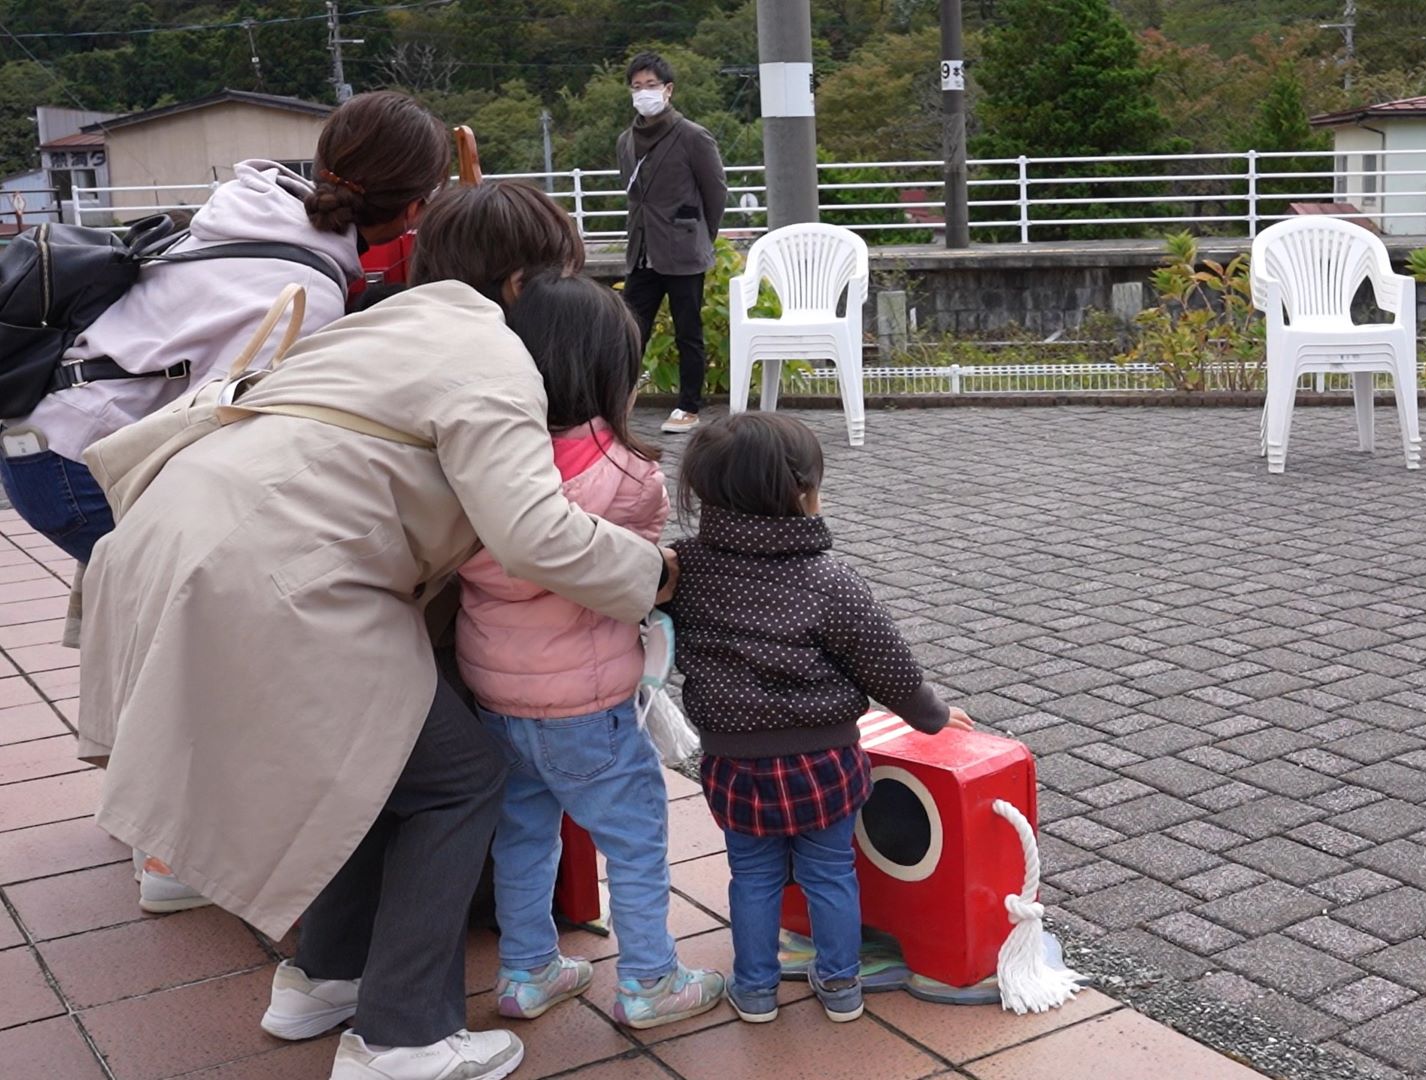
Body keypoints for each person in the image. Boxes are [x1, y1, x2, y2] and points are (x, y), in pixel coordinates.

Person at [78, 181, 663, 1080]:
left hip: (184, 539)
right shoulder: (490, 355)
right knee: (457, 778)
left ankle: (325, 976)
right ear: (521, 281)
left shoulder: (380, 321)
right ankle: (403, 1038)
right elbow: (534, 531)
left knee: (382, 766)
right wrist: (658, 576)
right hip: (274, 572)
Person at [0, 91, 449, 915]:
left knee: (175, 622)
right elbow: (238, 428)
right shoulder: (301, 287)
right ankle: (170, 854)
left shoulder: (265, 202)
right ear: (414, 210)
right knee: (210, 636)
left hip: (45, 438)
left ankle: (148, 816)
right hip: (78, 460)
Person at [454, 271, 725, 1031]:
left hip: (496, 700)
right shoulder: (629, 474)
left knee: (523, 837)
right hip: (589, 706)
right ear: (616, 371)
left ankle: (528, 971)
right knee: (636, 842)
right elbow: (636, 580)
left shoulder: (484, 464)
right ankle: (648, 981)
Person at [665, 412, 974, 1025]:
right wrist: (934, 717)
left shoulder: (684, 570)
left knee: (751, 875)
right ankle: (840, 986)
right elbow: (888, 665)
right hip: (823, 762)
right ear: (802, 492)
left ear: (702, 493)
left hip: (732, 763)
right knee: (830, 871)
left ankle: (754, 990)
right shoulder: (829, 580)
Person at [616, 50, 728, 435]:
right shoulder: (625, 141)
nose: (643, 93)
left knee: (688, 330)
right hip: (642, 250)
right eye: (636, 87)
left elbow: (716, 193)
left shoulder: (693, 136)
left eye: (650, 86)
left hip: (683, 251)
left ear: (668, 90)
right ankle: (617, 401)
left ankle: (688, 405)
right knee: (630, 329)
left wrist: (699, 236)